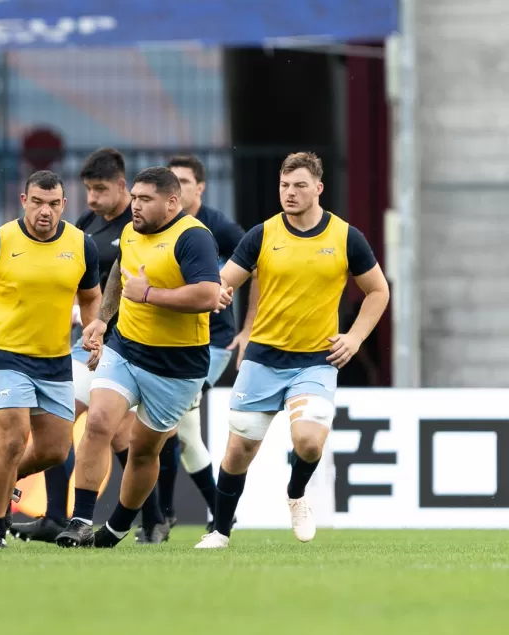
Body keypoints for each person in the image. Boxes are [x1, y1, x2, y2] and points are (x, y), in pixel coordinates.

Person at [197, 152, 388, 549]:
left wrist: (353, 338)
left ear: (318, 188)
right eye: (285, 185)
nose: (290, 192)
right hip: (264, 358)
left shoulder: (345, 236)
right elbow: (224, 280)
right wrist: (219, 292)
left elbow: (378, 291)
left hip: (316, 360)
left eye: (299, 185)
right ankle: (220, 531)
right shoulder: (262, 234)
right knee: (238, 451)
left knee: (309, 441)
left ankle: (297, 495)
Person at [55, 166, 222, 549]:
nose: (136, 205)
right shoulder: (133, 231)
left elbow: (208, 296)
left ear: (172, 202)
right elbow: (120, 272)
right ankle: (80, 519)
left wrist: (150, 296)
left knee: (145, 452)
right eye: (135, 197)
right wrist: (101, 319)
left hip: (176, 367)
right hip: (126, 349)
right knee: (98, 422)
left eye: (146, 199)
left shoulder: (193, 238)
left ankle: (116, 527)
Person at [0, 170, 101, 549]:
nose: (44, 211)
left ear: (64, 205)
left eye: (52, 204)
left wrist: (94, 330)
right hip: (8, 357)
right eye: (37, 202)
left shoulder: (82, 245)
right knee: (13, 440)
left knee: (54, 451)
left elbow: (91, 295)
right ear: (23, 201)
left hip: (57, 361)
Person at [9, 148, 131, 544]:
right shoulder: (84, 226)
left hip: (129, 347)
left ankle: (153, 516)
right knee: (58, 421)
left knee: (130, 439)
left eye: (99, 189)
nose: (92, 198)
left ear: (122, 186)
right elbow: (80, 285)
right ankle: (57, 516)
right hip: (88, 345)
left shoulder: (141, 224)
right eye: (88, 190)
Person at [142, 155, 247, 531]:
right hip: (174, 341)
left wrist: (249, 327)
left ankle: (165, 515)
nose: (178, 188)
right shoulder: (159, 227)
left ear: (199, 187)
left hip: (212, 343)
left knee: (172, 428)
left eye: (184, 181)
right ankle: (209, 512)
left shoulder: (218, 227)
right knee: (182, 432)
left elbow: (261, 266)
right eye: (173, 181)